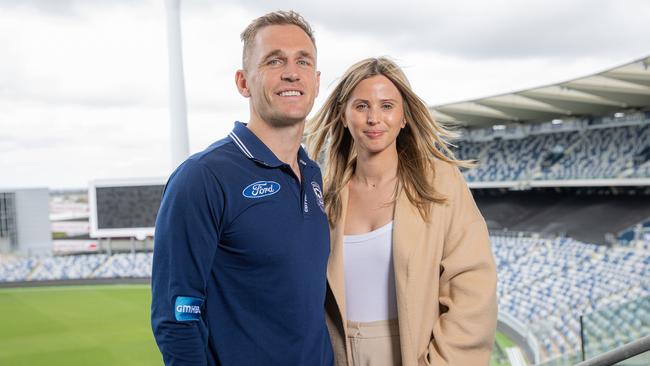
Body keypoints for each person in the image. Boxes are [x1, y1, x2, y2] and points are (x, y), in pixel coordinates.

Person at [151, 11, 333, 366]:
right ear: (243, 82)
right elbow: (176, 319)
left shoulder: (313, 174)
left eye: (303, 61)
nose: (291, 72)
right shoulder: (202, 178)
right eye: (274, 60)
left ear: (316, 79)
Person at [306, 57, 497, 366]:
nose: (373, 119)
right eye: (361, 106)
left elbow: (473, 289)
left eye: (386, 106)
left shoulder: (440, 183)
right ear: (343, 115)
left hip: (415, 355)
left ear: (404, 117)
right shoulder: (325, 195)